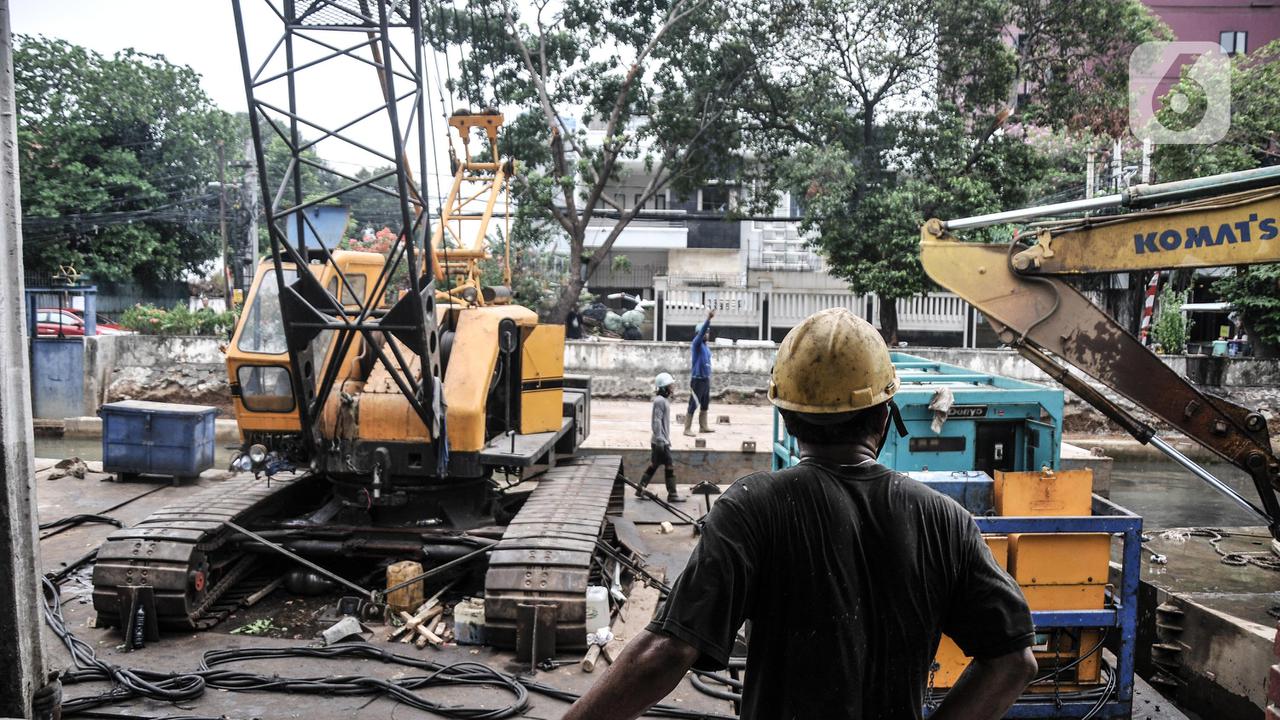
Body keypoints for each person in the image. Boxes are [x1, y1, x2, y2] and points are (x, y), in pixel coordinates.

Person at [563, 308, 1037, 720]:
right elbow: (1014, 661)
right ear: (884, 415)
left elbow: (667, 651)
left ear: (788, 420)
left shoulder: (753, 508)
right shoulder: (945, 521)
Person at [636, 372, 685, 503]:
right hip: (660, 441)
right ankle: (672, 494)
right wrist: (660, 439)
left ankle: (640, 488)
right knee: (669, 465)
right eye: (670, 386)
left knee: (654, 464)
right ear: (663, 388)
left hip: (661, 440)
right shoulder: (659, 401)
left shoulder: (663, 401)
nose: (672, 388)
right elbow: (656, 421)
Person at [683, 308, 716, 437]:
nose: (707, 334)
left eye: (708, 332)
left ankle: (703, 426)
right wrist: (708, 319)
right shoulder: (696, 344)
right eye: (705, 332)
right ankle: (687, 428)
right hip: (697, 379)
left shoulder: (706, 347)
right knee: (694, 403)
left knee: (705, 403)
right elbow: (701, 333)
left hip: (706, 378)